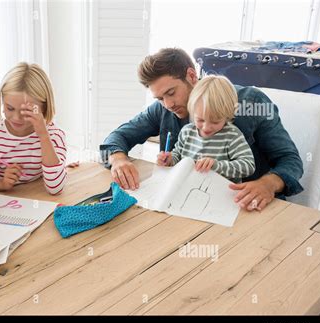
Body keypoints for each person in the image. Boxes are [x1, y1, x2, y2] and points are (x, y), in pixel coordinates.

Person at [100, 48, 303, 211]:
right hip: (186, 205)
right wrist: (118, 159)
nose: (168, 104)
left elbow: (290, 159)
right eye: (160, 98)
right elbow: (117, 137)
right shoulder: (163, 109)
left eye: (171, 92)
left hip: (243, 207)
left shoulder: (251, 102)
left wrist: (268, 184)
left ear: (191, 75)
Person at [0, 63, 67, 195]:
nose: (16, 118)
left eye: (26, 111)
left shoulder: (54, 136)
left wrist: (44, 136)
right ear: (2, 102)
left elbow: (55, 188)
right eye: (10, 108)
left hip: (35, 202)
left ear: (44, 107)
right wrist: (1, 184)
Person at [158, 75, 255, 183]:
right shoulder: (186, 132)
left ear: (227, 115)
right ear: (193, 112)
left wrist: (217, 166)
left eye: (215, 121)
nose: (206, 127)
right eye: (200, 120)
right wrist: (169, 160)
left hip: (219, 194)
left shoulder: (232, 135)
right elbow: (177, 156)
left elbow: (248, 166)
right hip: (188, 189)